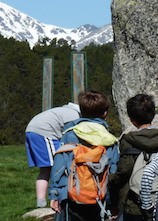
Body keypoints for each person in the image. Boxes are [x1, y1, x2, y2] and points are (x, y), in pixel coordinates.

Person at [49, 91, 120, 221]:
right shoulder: (109, 140)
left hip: (71, 195)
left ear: (81, 111)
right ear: (105, 114)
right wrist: (113, 202)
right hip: (100, 197)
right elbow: (113, 172)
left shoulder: (69, 134)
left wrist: (55, 194)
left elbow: (59, 167)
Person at [109, 94, 158, 221]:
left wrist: (109, 180)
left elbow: (124, 171)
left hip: (134, 203)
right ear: (153, 114)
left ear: (131, 119)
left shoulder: (128, 140)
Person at [24, 101, 81, 208]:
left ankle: (41, 203)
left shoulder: (66, 111)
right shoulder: (75, 116)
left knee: (45, 169)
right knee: (57, 168)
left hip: (32, 130)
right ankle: (58, 200)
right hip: (45, 132)